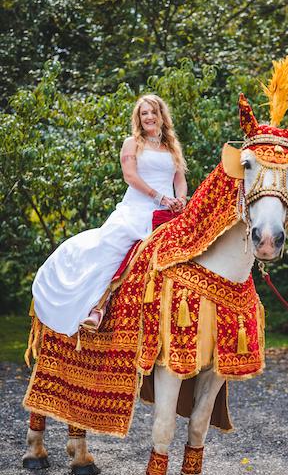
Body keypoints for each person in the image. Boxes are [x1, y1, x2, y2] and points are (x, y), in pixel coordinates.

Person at [32, 94, 188, 337]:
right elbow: (131, 177)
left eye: (153, 112)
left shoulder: (172, 146)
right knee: (113, 247)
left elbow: (179, 180)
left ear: (161, 116)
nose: (149, 117)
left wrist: (181, 199)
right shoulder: (132, 143)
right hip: (139, 207)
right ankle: (98, 306)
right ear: (139, 118)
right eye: (144, 113)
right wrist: (159, 197)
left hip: (169, 211)